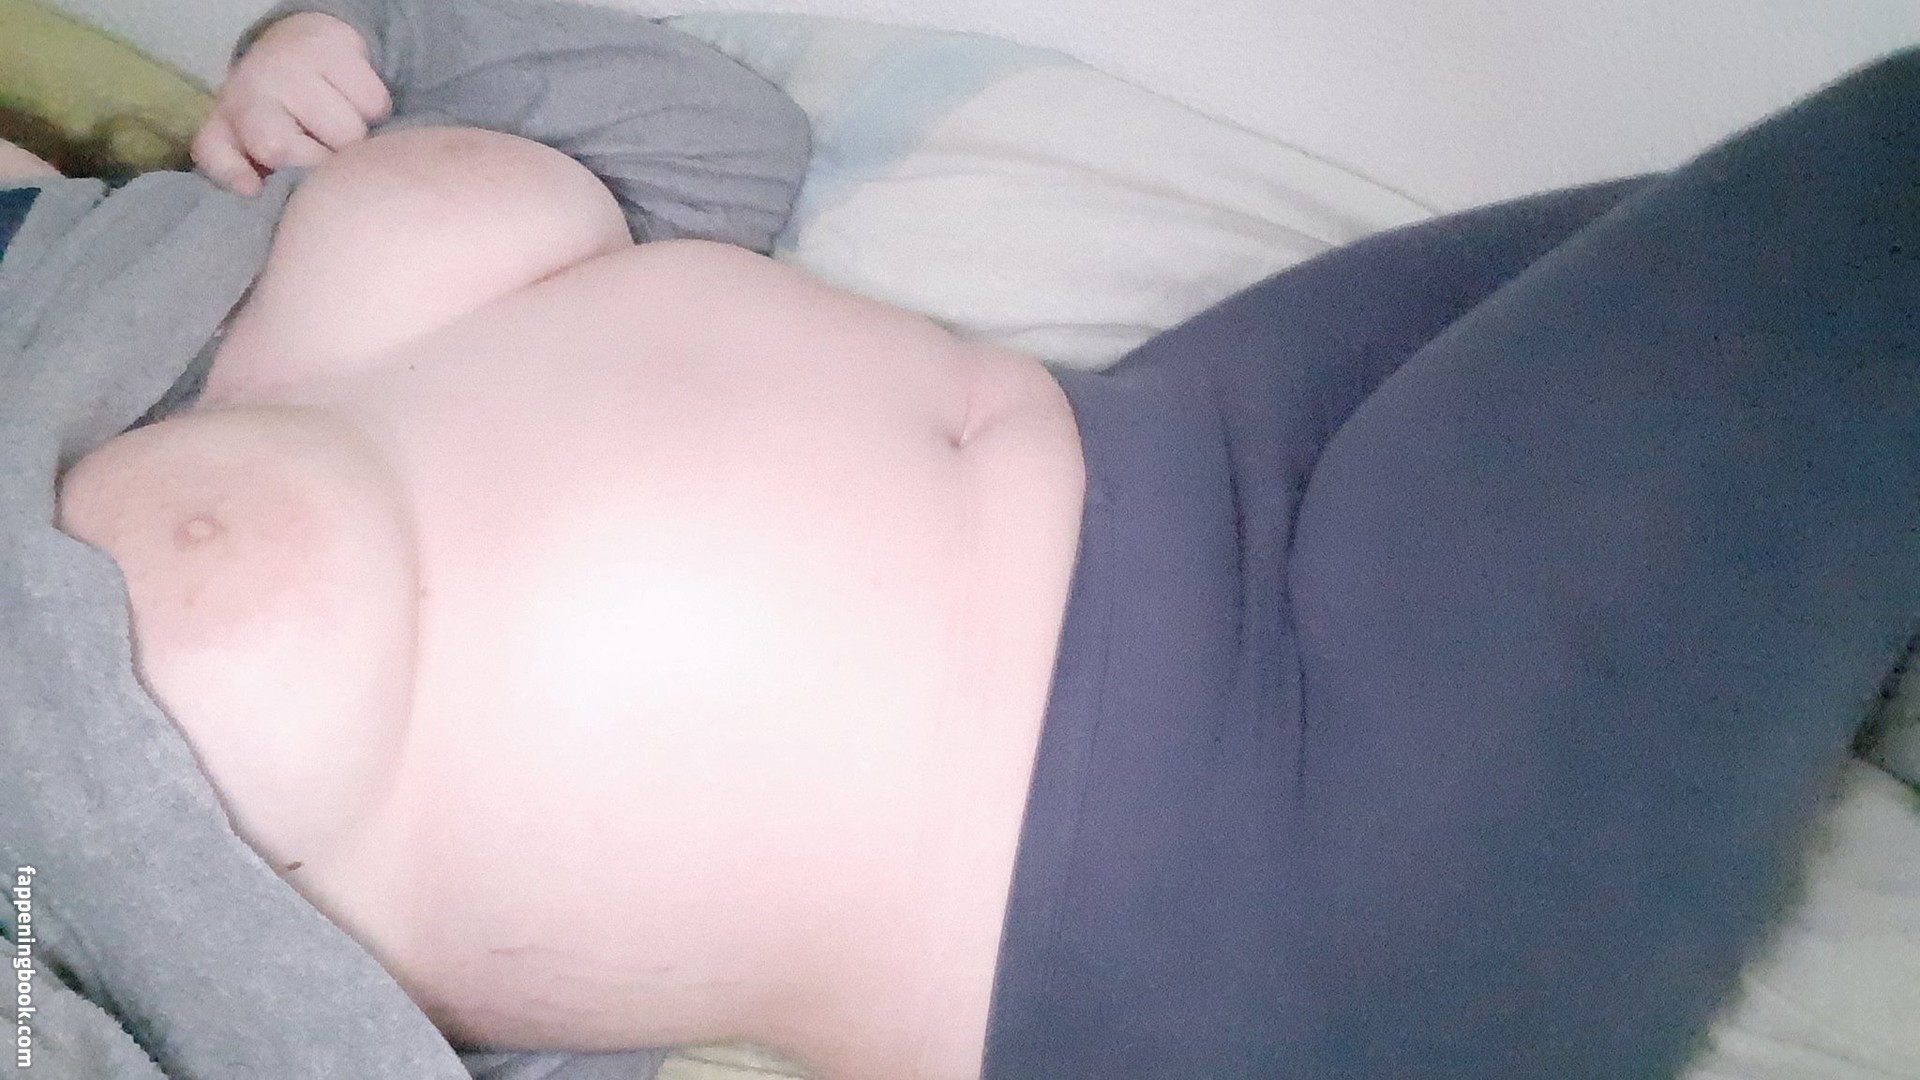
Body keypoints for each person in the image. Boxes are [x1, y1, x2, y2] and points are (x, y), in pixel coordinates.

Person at [7, 7, 1919, 1080]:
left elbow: (710, 149)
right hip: (1203, 885)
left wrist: (359, 41)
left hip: (1225, 425)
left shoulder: (182, 222)